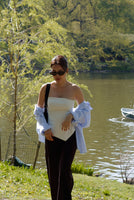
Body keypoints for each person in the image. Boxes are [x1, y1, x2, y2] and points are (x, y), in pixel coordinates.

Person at [34, 55, 92, 200]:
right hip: (51, 136)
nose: (57, 75)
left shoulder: (74, 89)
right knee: (53, 174)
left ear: (67, 71)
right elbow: (39, 112)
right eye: (53, 72)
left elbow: (84, 109)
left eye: (60, 72)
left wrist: (71, 116)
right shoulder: (45, 88)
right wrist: (44, 128)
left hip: (69, 137)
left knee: (64, 172)